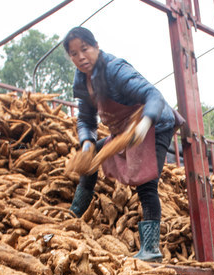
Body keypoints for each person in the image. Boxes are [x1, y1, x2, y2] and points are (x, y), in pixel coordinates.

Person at [64, 27, 181, 261]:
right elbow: (86, 118)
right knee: (93, 156)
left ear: (96, 46)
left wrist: (145, 124)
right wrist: (86, 142)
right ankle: (74, 215)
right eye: (74, 54)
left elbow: (154, 96)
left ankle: (151, 249)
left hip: (152, 122)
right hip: (123, 128)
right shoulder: (81, 80)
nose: (80, 57)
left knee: (147, 182)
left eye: (84, 49)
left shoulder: (115, 69)